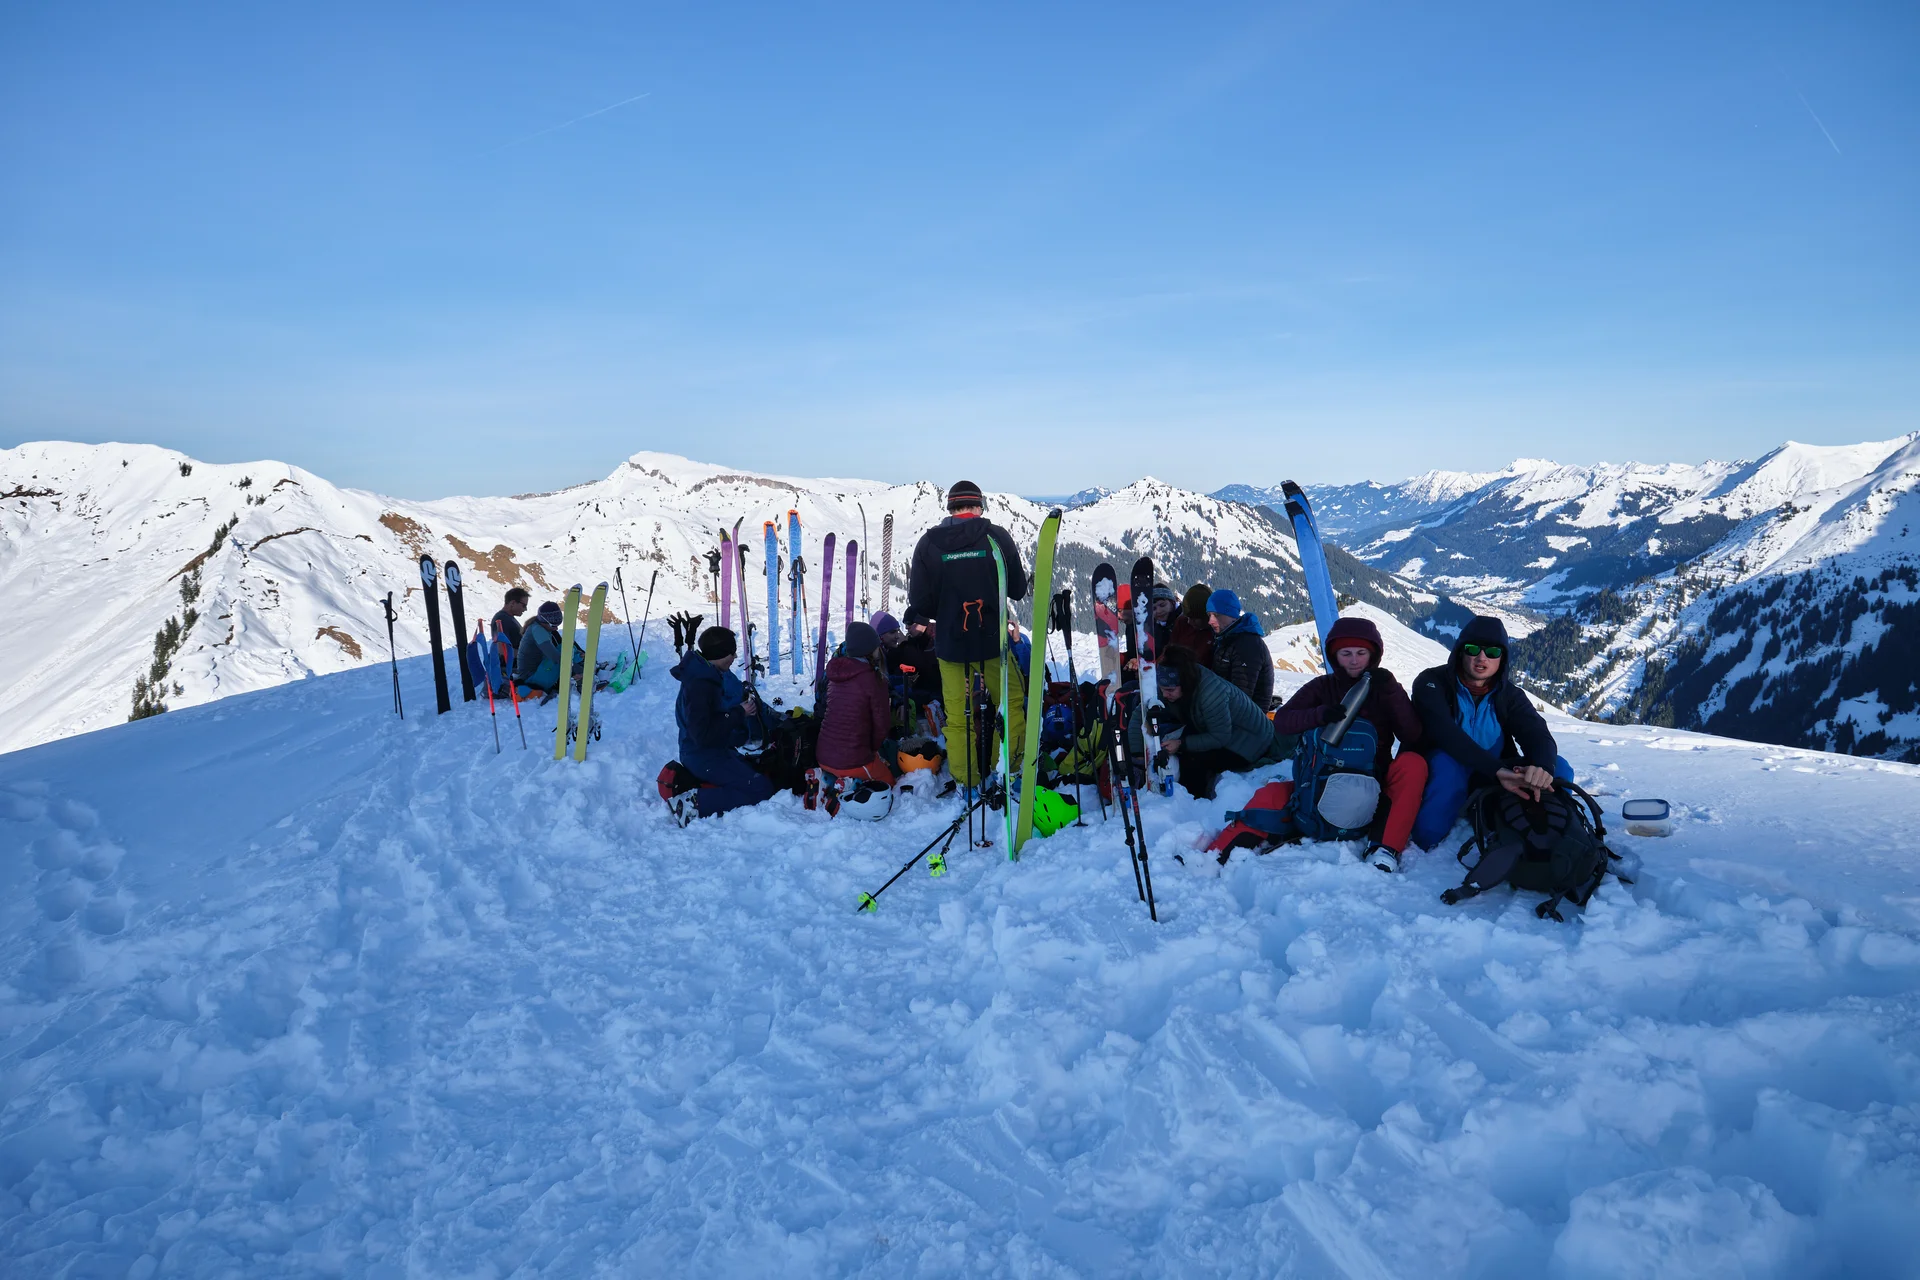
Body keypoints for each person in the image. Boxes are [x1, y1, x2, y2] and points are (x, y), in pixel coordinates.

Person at [1266, 616, 1428, 871]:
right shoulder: (1322, 687)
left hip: (1376, 780)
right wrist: (1319, 714)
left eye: (1361, 653)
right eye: (1346, 653)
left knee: (1413, 764)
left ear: (1373, 655)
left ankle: (1384, 848)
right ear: (1334, 656)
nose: (1354, 660)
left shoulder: (1385, 689)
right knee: (1273, 795)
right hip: (1324, 780)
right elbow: (1283, 721)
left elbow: (1412, 735)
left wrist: (1393, 692)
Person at [905, 480, 1029, 789]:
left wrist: (946, 607)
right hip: (993, 644)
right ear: (979, 506)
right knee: (1009, 704)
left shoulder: (928, 544)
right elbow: (1016, 589)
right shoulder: (996, 538)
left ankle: (966, 778)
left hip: (950, 645)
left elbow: (920, 604)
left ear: (951, 508)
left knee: (958, 718)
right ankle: (1008, 768)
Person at [1410, 616, 1572, 851]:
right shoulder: (1432, 682)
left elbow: (1536, 732)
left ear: (1502, 658)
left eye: (1492, 652)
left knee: (1560, 767)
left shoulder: (1510, 695)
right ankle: (1433, 837)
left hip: (1496, 772)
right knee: (1429, 830)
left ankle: (1557, 831)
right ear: (1460, 652)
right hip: (1448, 769)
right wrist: (1498, 771)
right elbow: (1444, 733)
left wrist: (1543, 768)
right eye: (1473, 648)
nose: (1481, 657)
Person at [1147, 645, 1293, 799]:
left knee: (1193, 760)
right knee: (1180, 741)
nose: (1164, 694)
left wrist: (1182, 744)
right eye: (1162, 689)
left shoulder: (1212, 694)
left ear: (1185, 684)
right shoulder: (1175, 680)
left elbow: (1219, 737)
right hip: (1228, 730)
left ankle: (1193, 801)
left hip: (1252, 742)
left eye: (1169, 691)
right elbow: (1144, 710)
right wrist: (1137, 751)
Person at [669, 626, 776, 820]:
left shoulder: (704, 674)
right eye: (731, 652)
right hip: (701, 755)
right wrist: (738, 713)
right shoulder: (701, 686)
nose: (734, 656)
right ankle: (693, 803)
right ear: (719, 654)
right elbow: (702, 735)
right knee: (761, 789)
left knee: (758, 772)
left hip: (711, 750)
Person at [818, 622, 896, 784]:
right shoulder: (874, 679)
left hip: (823, 756)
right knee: (890, 782)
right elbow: (882, 725)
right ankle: (852, 786)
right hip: (852, 760)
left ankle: (830, 781)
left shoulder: (835, 676)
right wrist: (872, 751)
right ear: (871, 649)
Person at [1206, 589, 1274, 709]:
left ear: (1230, 615)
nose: (1210, 621)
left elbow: (1241, 698)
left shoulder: (1248, 645)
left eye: (1216, 615)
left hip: (1247, 721)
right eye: (1209, 615)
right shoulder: (1226, 638)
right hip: (1226, 712)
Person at [512, 600, 575, 694]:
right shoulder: (538, 631)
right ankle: (581, 675)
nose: (556, 628)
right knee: (567, 652)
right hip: (532, 678)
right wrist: (574, 670)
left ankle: (581, 668)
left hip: (533, 673)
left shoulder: (538, 626)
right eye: (553, 625)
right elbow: (555, 657)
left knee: (565, 648)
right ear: (544, 621)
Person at [1171, 584, 1215, 668]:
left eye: (1194, 618)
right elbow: (1169, 651)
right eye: (1187, 617)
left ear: (1206, 616)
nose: (1189, 621)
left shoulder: (1215, 634)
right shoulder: (1182, 623)